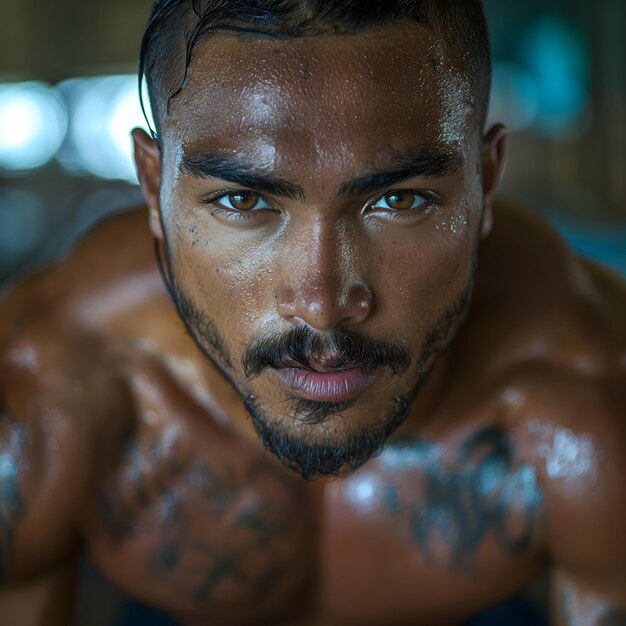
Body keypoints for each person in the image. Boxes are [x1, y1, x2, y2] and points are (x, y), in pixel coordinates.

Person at [1, 1, 625, 624]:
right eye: (242, 199)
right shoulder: (51, 379)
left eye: (400, 199)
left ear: (486, 184)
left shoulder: (589, 386)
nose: (323, 305)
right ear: (152, 186)